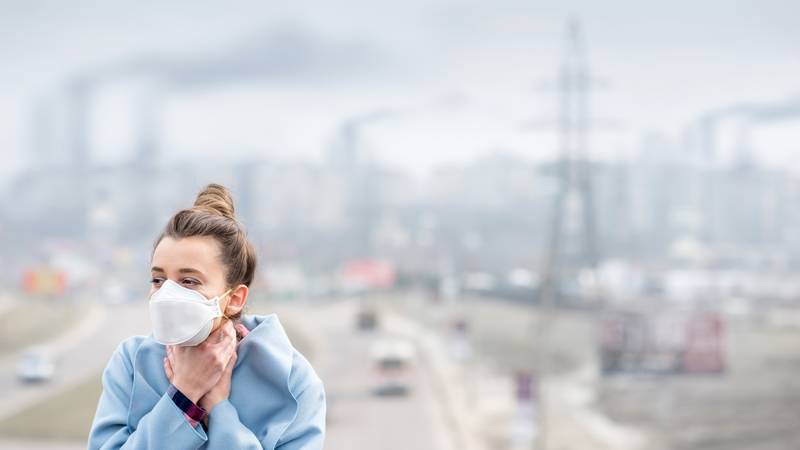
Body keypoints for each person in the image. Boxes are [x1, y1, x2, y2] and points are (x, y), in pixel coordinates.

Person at [88, 183, 326, 449]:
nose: (167, 293)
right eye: (158, 279)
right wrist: (184, 394)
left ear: (235, 299)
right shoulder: (131, 363)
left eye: (189, 281)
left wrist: (219, 409)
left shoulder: (293, 380)